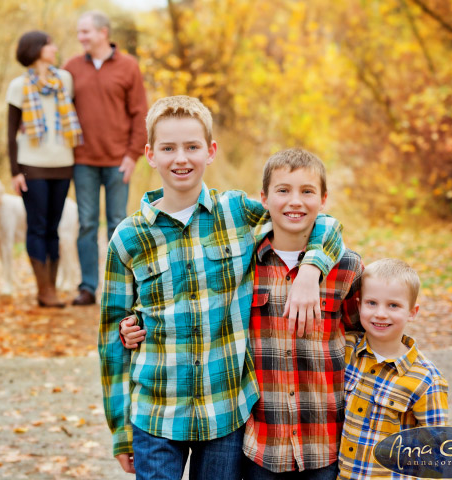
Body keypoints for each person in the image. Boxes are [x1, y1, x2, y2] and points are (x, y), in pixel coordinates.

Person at [100, 96, 345, 480]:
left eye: (192, 147)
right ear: (150, 154)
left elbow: (318, 221)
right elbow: (111, 340)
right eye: (168, 148)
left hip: (226, 411)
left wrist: (312, 270)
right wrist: (120, 431)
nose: (181, 158)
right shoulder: (129, 238)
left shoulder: (234, 212)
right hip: (156, 413)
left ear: (210, 151)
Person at [240, 149, 363, 480]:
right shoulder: (244, 266)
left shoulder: (347, 267)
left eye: (307, 191)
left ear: (323, 199)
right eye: (283, 190)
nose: (295, 201)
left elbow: (361, 333)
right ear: (263, 198)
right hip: (263, 445)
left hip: (326, 442)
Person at [63, 10, 148, 306]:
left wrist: (132, 155)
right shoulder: (71, 67)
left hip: (117, 161)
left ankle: (120, 290)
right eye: (79, 32)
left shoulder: (128, 67)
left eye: (85, 31)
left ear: (103, 33)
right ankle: (87, 287)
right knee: (86, 224)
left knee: (117, 225)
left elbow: (140, 113)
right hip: (83, 160)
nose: (80, 37)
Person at [338, 258, 449, 480]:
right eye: (371, 303)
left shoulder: (426, 380)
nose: (380, 313)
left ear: (412, 312)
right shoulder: (345, 349)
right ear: (358, 304)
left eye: (393, 305)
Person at [6, 31, 82, 308]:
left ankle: (50, 285)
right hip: (31, 166)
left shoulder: (65, 80)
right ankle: (44, 289)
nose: (54, 48)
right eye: (50, 44)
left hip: (63, 164)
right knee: (37, 227)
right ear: (37, 49)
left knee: (53, 228)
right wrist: (14, 171)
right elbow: (11, 132)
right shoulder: (17, 86)